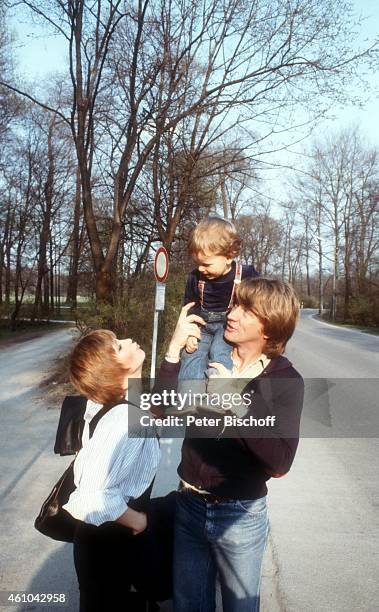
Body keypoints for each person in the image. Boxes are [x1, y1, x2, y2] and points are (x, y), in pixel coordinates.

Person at [158, 277, 304, 612]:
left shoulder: (284, 381)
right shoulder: (207, 358)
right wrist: (173, 349)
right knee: (188, 606)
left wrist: (236, 404)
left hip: (240, 515)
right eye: (235, 304)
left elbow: (280, 462)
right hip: (189, 506)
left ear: (270, 327)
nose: (232, 314)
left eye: (246, 310)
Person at [62, 326, 201, 612]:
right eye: (119, 346)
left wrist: (173, 348)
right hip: (107, 549)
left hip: (105, 541)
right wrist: (138, 522)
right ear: (112, 369)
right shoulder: (124, 418)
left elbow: (154, 404)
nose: (129, 339)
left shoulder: (119, 405)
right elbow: (88, 496)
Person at [179, 216, 258, 381]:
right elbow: (191, 306)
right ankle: (189, 396)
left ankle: (218, 388)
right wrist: (192, 333)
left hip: (227, 325)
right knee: (192, 353)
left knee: (220, 352)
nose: (201, 268)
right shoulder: (195, 277)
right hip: (202, 325)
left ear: (229, 256)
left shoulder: (246, 274)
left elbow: (259, 299)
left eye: (206, 264)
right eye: (197, 263)